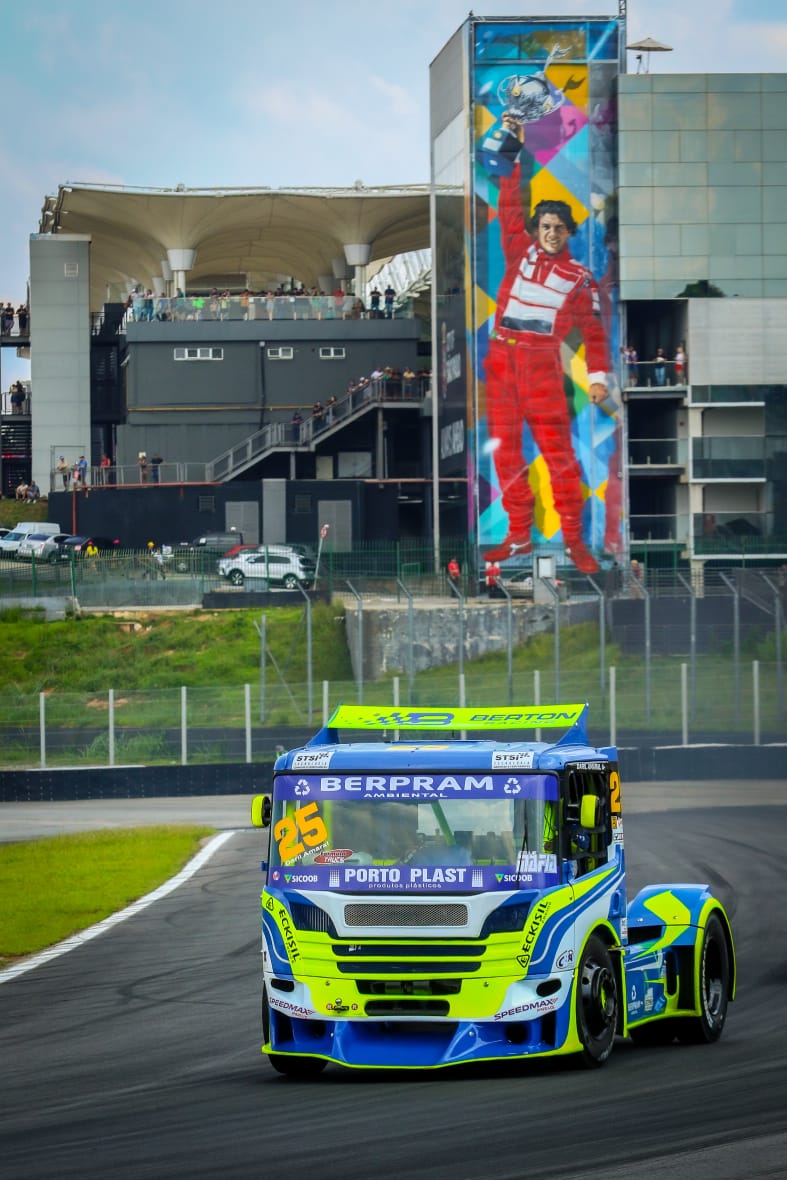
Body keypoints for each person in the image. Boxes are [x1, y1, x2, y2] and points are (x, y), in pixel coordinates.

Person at [481, 119, 611, 574]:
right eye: (546, 225)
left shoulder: (580, 278)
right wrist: (512, 146)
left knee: (558, 455)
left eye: (559, 227)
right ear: (536, 228)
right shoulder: (519, 248)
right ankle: (518, 534)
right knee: (505, 449)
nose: (552, 232)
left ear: (569, 232)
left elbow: (593, 332)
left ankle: (575, 540)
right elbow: (510, 201)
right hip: (501, 359)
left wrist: (597, 378)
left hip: (539, 364)